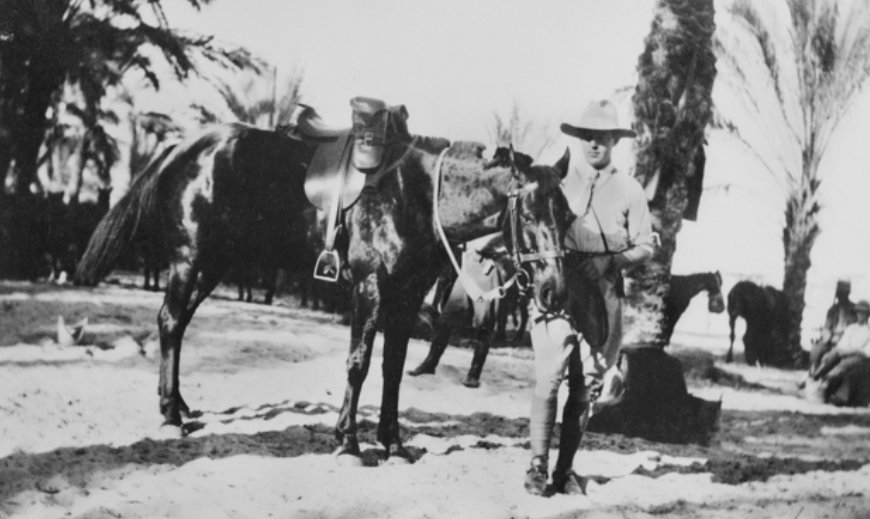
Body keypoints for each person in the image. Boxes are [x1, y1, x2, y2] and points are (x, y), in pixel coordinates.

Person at [524, 99, 654, 496]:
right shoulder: (557, 180)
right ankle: (537, 466)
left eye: (602, 137)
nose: (594, 144)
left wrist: (611, 261)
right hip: (560, 289)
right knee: (550, 375)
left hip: (603, 294)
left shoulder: (630, 190)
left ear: (615, 141)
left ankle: (564, 470)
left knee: (586, 385)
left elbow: (646, 246)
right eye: (588, 137)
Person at [812, 299, 870, 405]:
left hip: (860, 357)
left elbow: (866, 352)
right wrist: (842, 351)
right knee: (831, 355)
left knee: (846, 363)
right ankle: (817, 376)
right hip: (845, 353)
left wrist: (853, 351)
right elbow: (842, 344)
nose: (860, 315)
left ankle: (827, 381)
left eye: (863, 313)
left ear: (867, 315)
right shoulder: (851, 328)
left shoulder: (868, 331)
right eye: (858, 312)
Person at [809, 280, 857, 377]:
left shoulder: (854, 309)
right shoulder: (833, 310)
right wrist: (826, 337)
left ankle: (822, 375)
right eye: (839, 293)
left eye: (843, 293)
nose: (841, 296)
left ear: (848, 293)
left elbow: (856, 328)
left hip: (848, 341)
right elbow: (827, 327)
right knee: (816, 349)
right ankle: (812, 374)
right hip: (832, 340)